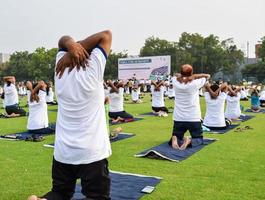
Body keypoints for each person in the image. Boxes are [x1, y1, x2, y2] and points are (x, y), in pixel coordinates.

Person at [28, 30, 112, 200]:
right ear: (91, 54)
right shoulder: (94, 69)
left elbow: (62, 40)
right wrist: (76, 47)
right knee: (97, 197)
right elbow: (106, 35)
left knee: (59, 193)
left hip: (63, 151)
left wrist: (72, 45)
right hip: (91, 152)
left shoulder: (60, 69)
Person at [169, 64, 210, 150]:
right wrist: (194, 76)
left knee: (177, 135)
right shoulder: (195, 83)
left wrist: (184, 77)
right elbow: (207, 76)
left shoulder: (175, 81)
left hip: (178, 118)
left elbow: (176, 75)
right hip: (193, 117)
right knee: (198, 138)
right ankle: (189, 141)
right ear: (191, 73)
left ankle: (175, 138)